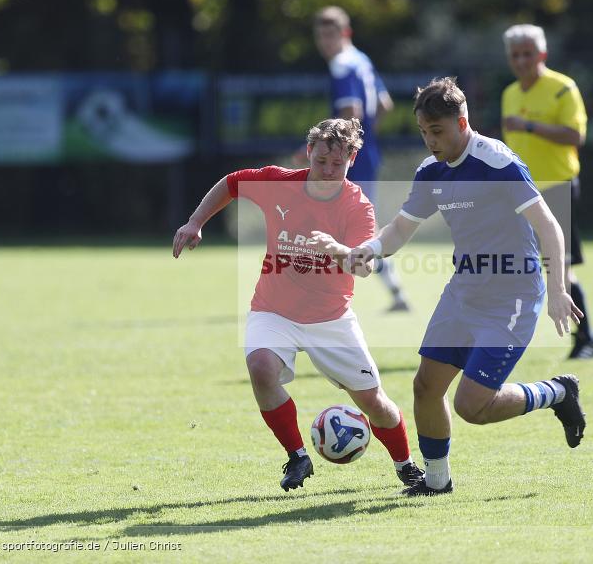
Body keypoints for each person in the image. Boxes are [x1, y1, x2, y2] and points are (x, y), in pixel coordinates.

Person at [337, 78, 587, 496]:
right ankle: (437, 481)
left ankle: (557, 392)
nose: (430, 141)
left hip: (513, 295)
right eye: (423, 132)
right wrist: (372, 249)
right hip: (464, 291)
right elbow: (402, 227)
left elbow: (548, 225)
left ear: (462, 123)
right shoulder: (431, 172)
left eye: (437, 131)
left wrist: (558, 288)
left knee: (472, 407)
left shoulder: (497, 163)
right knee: (425, 387)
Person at [173, 118, 424, 492]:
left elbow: (366, 266)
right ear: (309, 152)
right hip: (273, 309)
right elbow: (231, 184)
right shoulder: (279, 183)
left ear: (352, 160)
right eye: (321, 160)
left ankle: (406, 465)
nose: (327, 170)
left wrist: (339, 251)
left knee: (374, 403)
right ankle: (297, 457)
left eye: (337, 164)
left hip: (331, 318)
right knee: (260, 368)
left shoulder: (357, 206)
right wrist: (195, 221)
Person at [501, 24, 593, 359]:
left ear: (542, 54)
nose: (521, 61)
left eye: (527, 54)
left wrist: (530, 126)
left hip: (558, 188)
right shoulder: (510, 94)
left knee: (560, 267)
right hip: (522, 193)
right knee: (515, 266)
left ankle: (587, 338)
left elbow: (576, 136)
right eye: (515, 55)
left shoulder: (562, 89)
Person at [311, 5, 410, 312]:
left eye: (331, 35)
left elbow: (350, 112)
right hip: (364, 154)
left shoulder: (342, 65)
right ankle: (394, 292)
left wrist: (332, 149)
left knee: (335, 222)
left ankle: (324, 295)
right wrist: (365, 138)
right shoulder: (361, 59)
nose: (326, 42)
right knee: (355, 224)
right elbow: (384, 103)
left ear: (345, 33)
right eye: (321, 36)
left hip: (347, 159)